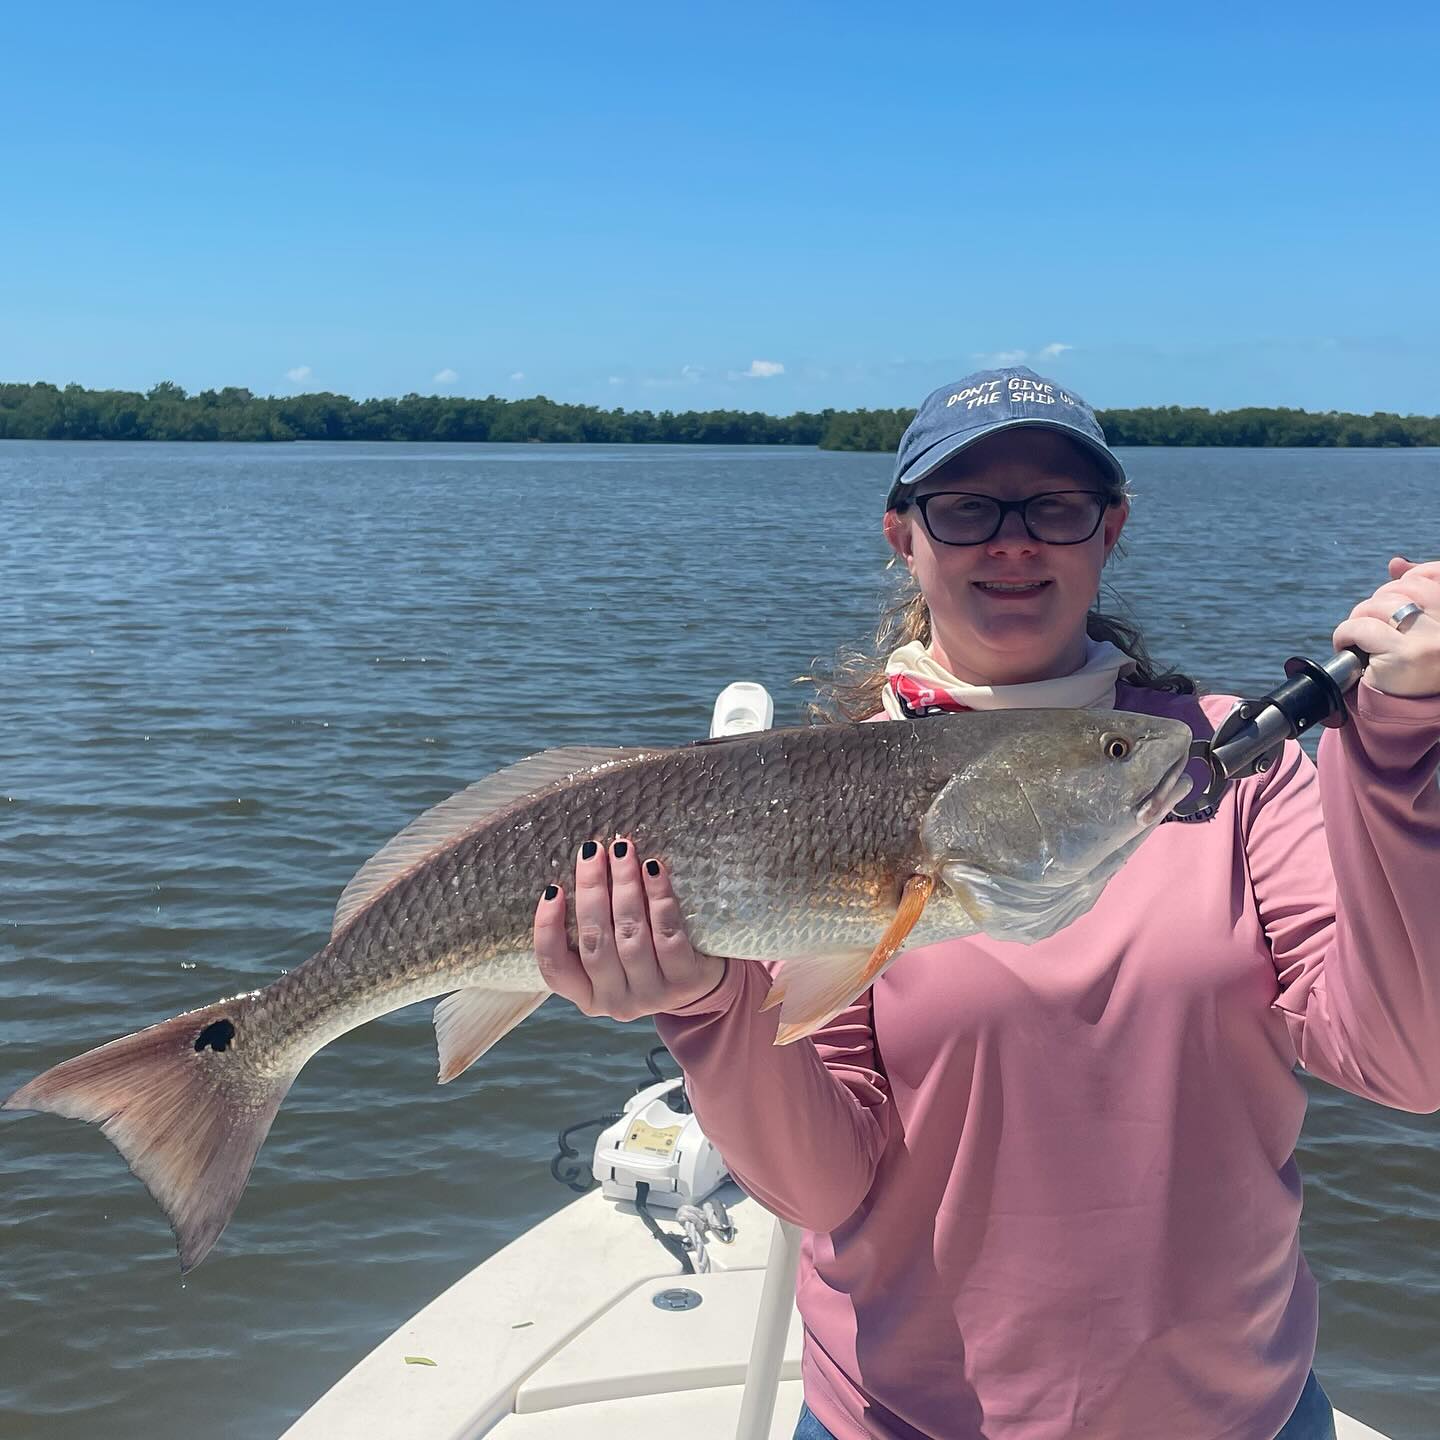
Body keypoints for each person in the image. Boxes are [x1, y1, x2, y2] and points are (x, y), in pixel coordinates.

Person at [531, 366, 1440, 1440]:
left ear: (1110, 532)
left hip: (1240, 1414)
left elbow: (1406, 1064)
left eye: (1056, 507)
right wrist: (704, 1005)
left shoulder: (1225, 767)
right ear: (903, 537)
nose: (1014, 543)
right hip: (902, 1419)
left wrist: (1403, 741)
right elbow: (820, 1190)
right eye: (966, 509)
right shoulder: (813, 802)